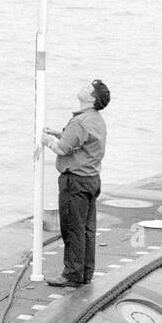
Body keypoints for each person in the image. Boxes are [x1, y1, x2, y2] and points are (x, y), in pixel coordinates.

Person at [39, 79, 110, 289]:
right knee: (87, 229)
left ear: (92, 98)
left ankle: (72, 274)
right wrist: (58, 133)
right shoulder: (96, 119)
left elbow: (62, 149)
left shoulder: (80, 121)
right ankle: (85, 272)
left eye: (88, 88)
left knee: (72, 228)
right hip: (91, 180)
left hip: (75, 181)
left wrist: (48, 141)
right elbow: (80, 139)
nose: (83, 87)